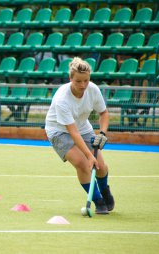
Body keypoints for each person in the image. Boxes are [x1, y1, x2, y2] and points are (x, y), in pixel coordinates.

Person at [45, 57, 114, 214]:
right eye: (78, 81)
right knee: (82, 163)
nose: (83, 85)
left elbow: (103, 113)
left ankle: (105, 192)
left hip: (83, 128)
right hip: (58, 131)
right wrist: (89, 156)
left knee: (101, 167)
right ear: (70, 79)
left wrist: (102, 133)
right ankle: (99, 201)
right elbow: (73, 132)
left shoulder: (93, 90)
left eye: (86, 81)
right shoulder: (62, 99)